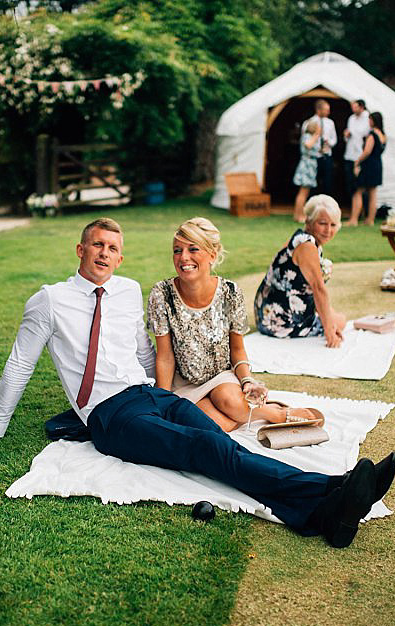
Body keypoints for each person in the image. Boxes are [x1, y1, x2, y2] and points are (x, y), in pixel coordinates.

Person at [0, 217, 395, 548]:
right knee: (207, 447)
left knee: (226, 448)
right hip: (109, 416)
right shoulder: (49, 300)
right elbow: (20, 363)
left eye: (112, 248)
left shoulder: (127, 291)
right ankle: (336, 488)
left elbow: (145, 352)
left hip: (150, 396)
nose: (103, 253)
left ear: (120, 257)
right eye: (97, 245)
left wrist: (163, 397)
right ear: (81, 250)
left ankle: (327, 515)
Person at [146, 218, 320, 433]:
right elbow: (164, 356)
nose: (183, 258)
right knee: (220, 425)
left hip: (221, 376)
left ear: (212, 254)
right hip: (182, 382)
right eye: (177, 250)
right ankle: (252, 412)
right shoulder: (161, 293)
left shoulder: (230, 292)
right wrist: (165, 401)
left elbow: (237, 348)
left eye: (193, 249)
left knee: (229, 402)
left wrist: (246, 381)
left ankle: (275, 414)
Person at [254, 195, 346, 347]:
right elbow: (318, 289)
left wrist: (329, 319)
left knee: (334, 317)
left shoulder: (302, 239)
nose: (328, 230)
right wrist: (329, 330)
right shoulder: (307, 246)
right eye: (322, 223)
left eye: (333, 224)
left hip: (266, 313)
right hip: (279, 321)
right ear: (309, 221)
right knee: (341, 320)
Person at [350, 112, 386, 226]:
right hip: (378, 164)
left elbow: (367, 151)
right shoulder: (383, 135)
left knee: (358, 190)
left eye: (370, 120)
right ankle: (370, 219)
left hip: (369, 164)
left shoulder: (372, 134)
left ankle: (354, 219)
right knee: (373, 193)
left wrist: (358, 161)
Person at [292, 119, 322, 222]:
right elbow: (308, 145)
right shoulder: (308, 137)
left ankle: (299, 214)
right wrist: (317, 135)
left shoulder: (312, 138)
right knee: (303, 191)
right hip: (307, 164)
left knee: (305, 191)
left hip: (312, 164)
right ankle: (298, 215)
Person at [343, 99, 370, 212]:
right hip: (349, 154)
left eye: (355, 107)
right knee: (351, 184)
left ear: (361, 107)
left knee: (360, 186)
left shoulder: (368, 118)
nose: (353, 109)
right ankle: (354, 210)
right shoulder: (351, 118)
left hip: (360, 156)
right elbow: (349, 135)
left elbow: (364, 134)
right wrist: (346, 135)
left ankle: (363, 211)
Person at [313, 99, 338, 196]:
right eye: (326, 110)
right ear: (319, 110)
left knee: (328, 181)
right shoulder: (311, 122)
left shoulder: (330, 123)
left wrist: (329, 142)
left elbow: (334, 139)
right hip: (315, 156)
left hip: (327, 155)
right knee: (314, 181)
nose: (329, 112)